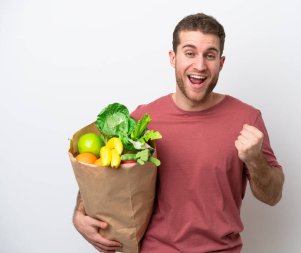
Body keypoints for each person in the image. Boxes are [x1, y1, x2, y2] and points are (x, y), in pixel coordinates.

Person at [73, 13, 285, 253]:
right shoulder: (142, 121)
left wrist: (255, 159)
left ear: (221, 63)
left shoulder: (247, 119)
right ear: (173, 58)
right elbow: (102, 171)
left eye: (210, 55)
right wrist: (79, 213)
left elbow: (273, 195)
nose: (200, 65)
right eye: (190, 53)